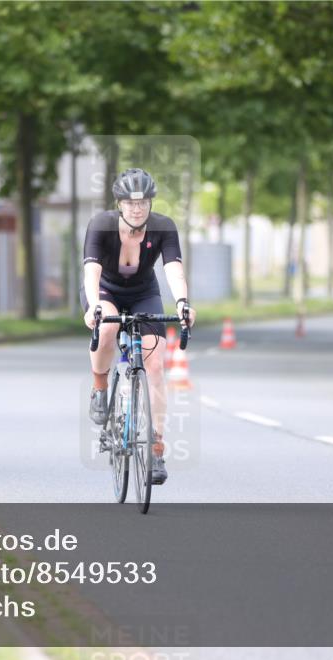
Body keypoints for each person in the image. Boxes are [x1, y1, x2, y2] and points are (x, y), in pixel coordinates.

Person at [81, 168, 196, 485]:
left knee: (156, 363)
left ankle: (156, 447)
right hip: (105, 290)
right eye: (130, 202)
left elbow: (173, 269)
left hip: (144, 293)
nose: (137, 208)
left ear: (150, 203)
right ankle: (100, 388)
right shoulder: (101, 226)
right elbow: (91, 271)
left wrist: (183, 303)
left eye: (143, 202)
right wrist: (93, 307)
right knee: (106, 330)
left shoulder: (163, 227)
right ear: (119, 203)